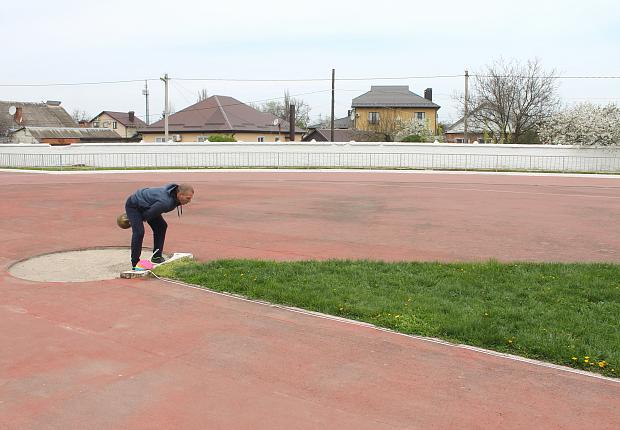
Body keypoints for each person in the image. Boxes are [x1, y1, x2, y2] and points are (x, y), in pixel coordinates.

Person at [125, 183, 194, 269]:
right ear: (179, 194)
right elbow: (147, 215)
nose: (189, 201)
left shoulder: (174, 193)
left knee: (161, 226)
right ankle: (135, 263)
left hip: (148, 205)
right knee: (139, 232)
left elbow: (153, 210)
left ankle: (156, 257)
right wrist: (132, 220)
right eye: (188, 198)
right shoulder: (166, 202)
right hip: (134, 205)